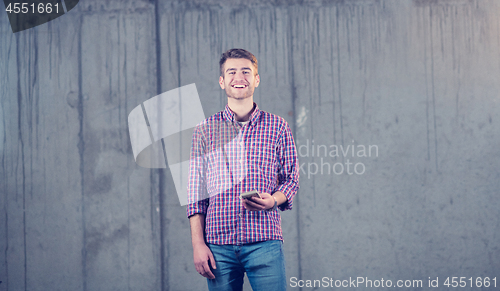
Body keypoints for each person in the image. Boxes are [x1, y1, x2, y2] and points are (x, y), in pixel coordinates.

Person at [186, 48, 300, 291]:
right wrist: (198, 244)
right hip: (218, 245)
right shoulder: (204, 130)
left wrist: (273, 200)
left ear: (256, 79)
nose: (239, 77)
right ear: (222, 81)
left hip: (264, 242)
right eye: (232, 71)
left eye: (246, 71)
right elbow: (196, 194)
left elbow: (291, 179)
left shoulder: (278, 127)